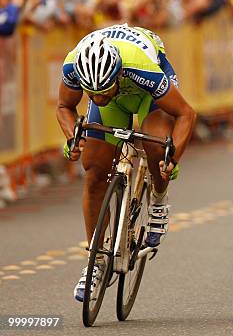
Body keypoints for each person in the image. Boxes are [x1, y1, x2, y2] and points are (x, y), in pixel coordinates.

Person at [56, 24, 196, 301]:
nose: (97, 98)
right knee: (95, 171)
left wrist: (173, 157)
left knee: (156, 145)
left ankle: (158, 198)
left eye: (103, 91)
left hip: (147, 93)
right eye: (91, 94)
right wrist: (73, 137)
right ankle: (95, 261)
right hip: (114, 96)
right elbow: (64, 107)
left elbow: (186, 114)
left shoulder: (140, 67)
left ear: (117, 74)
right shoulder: (74, 66)